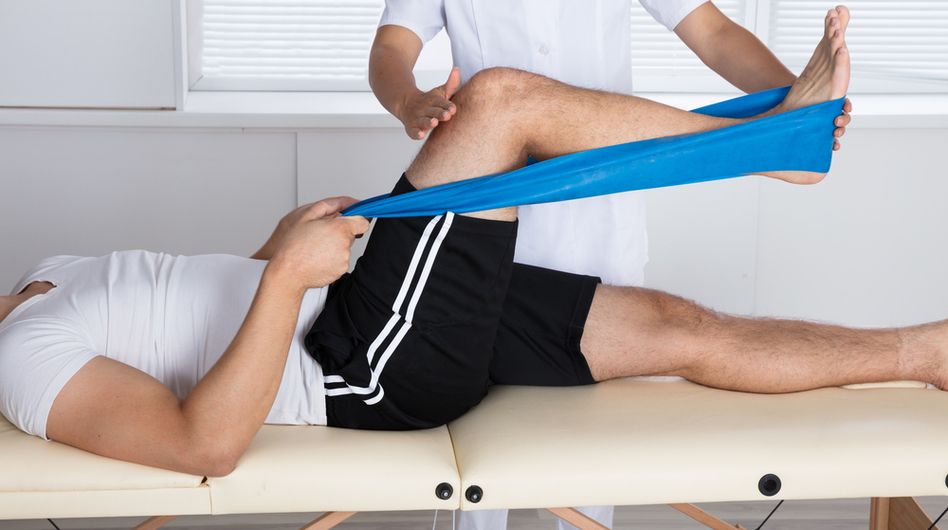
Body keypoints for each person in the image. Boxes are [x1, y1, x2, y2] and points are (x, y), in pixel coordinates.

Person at [6, 10, 929, 493]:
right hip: (359, 363)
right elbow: (203, 446)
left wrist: (273, 251)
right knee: (499, 102)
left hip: (358, 310)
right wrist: (286, 279)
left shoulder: (45, 278)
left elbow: (198, 320)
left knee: (672, 325)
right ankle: (778, 146)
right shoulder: (19, 360)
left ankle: (921, 352)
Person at [370, 5, 852, 525]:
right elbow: (392, 47)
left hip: (598, 222)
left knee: (589, 445)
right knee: (477, 434)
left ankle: (778, 139)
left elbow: (712, 32)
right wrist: (407, 101)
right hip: (484, 219)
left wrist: (803, 108)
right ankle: (770, 145)